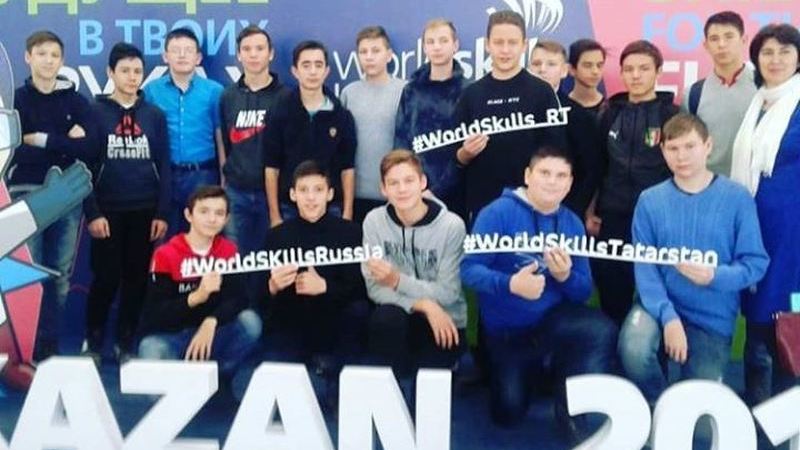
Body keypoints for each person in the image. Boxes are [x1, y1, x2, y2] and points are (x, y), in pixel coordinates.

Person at [461, 145, 616, 443]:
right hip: (507, 333)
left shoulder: (571, 223)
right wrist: (510, 284)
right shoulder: (496, 213)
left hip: (552, 324)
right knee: (508, 413)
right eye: (545, 173)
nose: (552, 182)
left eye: (561, 176)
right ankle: (532, 371)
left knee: (599, 328)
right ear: (527, 176)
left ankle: (572, 411)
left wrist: (565, 276)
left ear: (570, 183)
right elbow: (468, 269)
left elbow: (583, 291)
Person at [618, 113, 768, 405]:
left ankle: (680, 409)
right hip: (658, 307)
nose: (681, 156)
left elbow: (755, 263)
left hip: (712, 318)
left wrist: (715, 275)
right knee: (633, 350)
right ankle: (658, 405)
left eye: (690, 146)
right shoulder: (650, 200)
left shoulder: (737, 198)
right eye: (673, 148)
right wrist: (668, 317)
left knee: (698, 408)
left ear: (708, 146)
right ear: (663, 151)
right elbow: (646, 268)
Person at [82, 42, 171, 363]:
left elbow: (164, 164)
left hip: (144, 210)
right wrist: (92, 212)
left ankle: (126, 343)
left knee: (137, 281)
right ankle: (93, 343)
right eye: (125, 71)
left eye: (137, 71)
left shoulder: (154, 115)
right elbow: (83, 167)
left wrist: (162, 212)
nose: (132, 77)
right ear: (110, 72)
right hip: (107, 210)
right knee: (105, 279)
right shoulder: (93, 112)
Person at [8, 30, 94, 360]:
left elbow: (89, 147)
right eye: (41, 54)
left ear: (62, 61)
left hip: (66, 198)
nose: (48, 60)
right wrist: (65, 142)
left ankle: (48, 346)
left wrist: (42, 139)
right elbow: (14, 150)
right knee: (29, 274)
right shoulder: (15, 100)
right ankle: (24, 346)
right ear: (28, 57)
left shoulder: (75, 101)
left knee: (59, 274)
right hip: (26, 195)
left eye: (54, 55)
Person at [730, 23, 800, 407]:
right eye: (767, 52)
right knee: (757, 311)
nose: (776, 60)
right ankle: (756, 407)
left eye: (785, 51)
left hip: (793, 235)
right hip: (755, 227)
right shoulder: (759, 102)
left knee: (790, 312)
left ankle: (787, 406)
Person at [586, 39, 679, 326]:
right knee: (613, 290)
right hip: (613, 216)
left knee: (658, 290)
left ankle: (653, 348)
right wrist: (591, 210)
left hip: (657, 219)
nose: (635, 75)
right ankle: (612, 349)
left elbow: (680, 169)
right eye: (629, 69)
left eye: (644, 68)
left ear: (658, 72)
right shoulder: (609, 113)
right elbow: (597, 166)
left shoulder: (672, 115)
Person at [265, 160, 369, 408]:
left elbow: (361, 289)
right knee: (260, 388)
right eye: (303, 190)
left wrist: (325, 287)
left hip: (336, 322)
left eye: (318, 190)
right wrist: (272, 286)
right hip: (293, 323)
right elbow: (256, 293)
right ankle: (312, 374)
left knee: (358, 311)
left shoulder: (351, 233)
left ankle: (338, 381)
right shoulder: (277, 236)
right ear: (293, 194)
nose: (311, 198)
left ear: (330, 194)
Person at [138, 185, 262, 382]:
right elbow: (154, 315)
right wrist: (195, 297)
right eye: (204, 211)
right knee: (150, 349)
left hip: (213, 334)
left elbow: (240, 299)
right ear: (189, 215)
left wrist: (211, 321)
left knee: (250, 322)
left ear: (227, 219)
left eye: (219, 213)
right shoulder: (165, 254)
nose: (212, 219)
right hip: (175, 335)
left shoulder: (229, 251)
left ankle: (219, 380)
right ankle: (179, 388)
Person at [362, 149, 467, 379]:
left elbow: (449, 292)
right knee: (384, 319)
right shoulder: (373, 221)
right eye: (393, 183)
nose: (402, 189)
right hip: (401, 316)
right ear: (383, 189)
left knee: (428, 391)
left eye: (409, 181)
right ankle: (395, 382)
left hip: (444, 319)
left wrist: (397, 281)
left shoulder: (452, 226)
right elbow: (375, 288)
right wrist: (423, 305)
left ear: (423, 182)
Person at [453, 10, 564, 222]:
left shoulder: (542, 92)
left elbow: (556, 152)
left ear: (524, 45)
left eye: (512, 43)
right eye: (498, 42)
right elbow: (454, 155)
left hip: (532, 205)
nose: (505, 50)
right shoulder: (471, 94)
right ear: (487, 44)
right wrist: (465, 153)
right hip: (482, 206)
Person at [264, 40, 356, 227]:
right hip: (289, 209)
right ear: (295, 71)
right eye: (306, 65)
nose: (313, 71)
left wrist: (347, 213)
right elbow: (271, 168)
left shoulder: (341, 116)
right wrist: (275, 216)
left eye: (318, 65)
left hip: (332, 209)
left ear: (326, 71)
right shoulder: (279, 112)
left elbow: (347, 169)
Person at [143, 28, 224, 236]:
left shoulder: (214, 91)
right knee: (166, 240)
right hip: (164, 176)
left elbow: (220, 136)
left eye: (188, 50)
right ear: (165, 56)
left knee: (203, 238)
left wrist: (224, 179)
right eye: (175, 50)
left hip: (203, 175)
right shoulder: (151, 90)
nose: (182, 55)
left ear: (198, 58)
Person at [219, 25, 286, 257]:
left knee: (272, 259)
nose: (253, 54)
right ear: (239, 55)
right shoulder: (228, 96)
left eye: (259, 48)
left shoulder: (286, 96)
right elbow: (224, 143)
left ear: (271, 53)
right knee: (235, 260)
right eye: (247, 49)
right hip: (236, 192)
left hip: (275, 195)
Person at [394, 19, 467, 217]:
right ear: (424, 47)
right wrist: (408, 184)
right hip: (413, 193)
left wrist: (437, 190)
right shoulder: (411, 91)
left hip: (457, 194)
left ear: (455, 45)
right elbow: (401, 144)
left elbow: (468, 151)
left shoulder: (468, 92)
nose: (437, 47)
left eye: (443, 41)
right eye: (431, 42)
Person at [528, 39, 601, 218]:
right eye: (536, 63)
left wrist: (571, 211)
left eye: (551, 64)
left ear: (564, 71)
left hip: (564, 213)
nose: (542, 69)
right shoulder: (513, 112)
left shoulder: (579, 116)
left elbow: (590, 171)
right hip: (518, 210)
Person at [340, 26, 406, 224]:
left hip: (397, 195)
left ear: (389, 55)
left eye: (376, 51)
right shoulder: (349, 93)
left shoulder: (405, 91)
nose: (369, 57)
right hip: (355, 197)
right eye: (363, 52)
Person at [681, 10, 755, 176]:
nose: (721, 44)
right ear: (706, 45)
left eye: (729, 36)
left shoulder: (764, 87)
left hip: (756, 183)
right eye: (714, 39)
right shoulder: (693, 94)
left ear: (744, 40)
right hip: (710, 184)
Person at [567, 38, 607, 117]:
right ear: (571, 69)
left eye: (599, 65)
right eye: (587, 65)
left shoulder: (612, 109)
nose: (595, 71)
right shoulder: (561, 110)